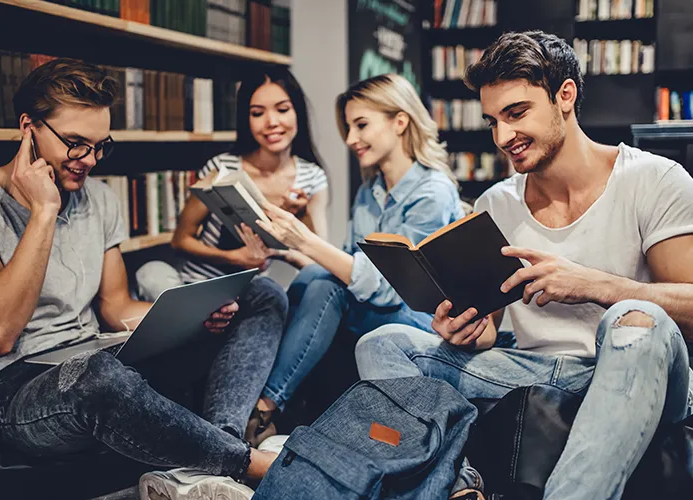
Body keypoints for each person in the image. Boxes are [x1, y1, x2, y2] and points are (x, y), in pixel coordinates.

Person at [355, 31, 693, 499]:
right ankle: (456, 486)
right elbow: (491, 328)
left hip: (634, 364)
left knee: (634, 320)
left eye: (517, 114)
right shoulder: (495, 204)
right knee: (384, 343)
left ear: (565, 96)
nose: (502, 137)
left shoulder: (654, 179)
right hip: (533, 366)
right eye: (493, 120)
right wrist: (469, 328)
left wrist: (594, 284)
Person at [0, 59, 286, 500]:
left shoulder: (100, 199)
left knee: (261, 295)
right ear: (28, 128)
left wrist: (196, 315)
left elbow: (117, 307)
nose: (88, 160)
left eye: (100, 146)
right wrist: (44, 212)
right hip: (15, 390)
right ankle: (247, 464)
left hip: (100, 353)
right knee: (98, 376)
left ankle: (214, 448)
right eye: (75, 144)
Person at [252, 73, 466, 435]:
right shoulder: (370, 192)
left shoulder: (432, 192)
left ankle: (263, 409)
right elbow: (352, 266)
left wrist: (306, 241)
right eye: (348, 127)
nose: (351, 139)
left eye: (361, 125)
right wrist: (297, 252)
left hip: (423, 323)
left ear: (400, 121)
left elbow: (386, 287)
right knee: (309, 279)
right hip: (377, 310)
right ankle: (267, 405)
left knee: (321, 285)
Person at [135, 67, 329, 301]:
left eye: (283, 109)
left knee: (275, 296)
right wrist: (233, 257)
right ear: (246, 120)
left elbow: (318, 258)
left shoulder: (312, 177)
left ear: (297, 111)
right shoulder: (221, 167)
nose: (272, 122)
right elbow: (180, 240)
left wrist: (302, 214)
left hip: (254, 293)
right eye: (257, 113)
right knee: (151, 274)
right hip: (198, 284)